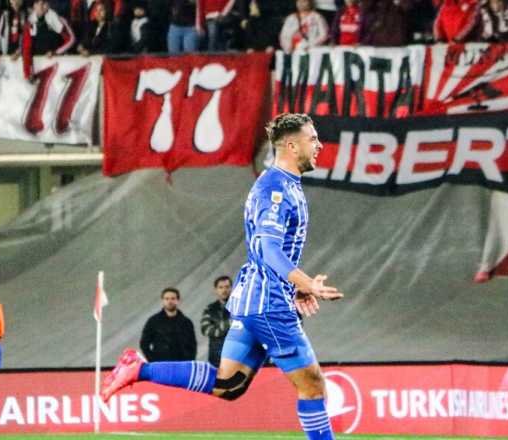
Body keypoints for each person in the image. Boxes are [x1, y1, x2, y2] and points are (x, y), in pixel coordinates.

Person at [101, 113, 344, 440]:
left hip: (257, 298)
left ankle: (138, 368)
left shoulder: (283, 185)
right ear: (291, 144)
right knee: (313, 387)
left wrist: (294, 286)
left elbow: (267, 251)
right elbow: (270, 250)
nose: (319, 145)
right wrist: (306, 283)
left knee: (228, 384)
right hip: (268, 304)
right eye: (312, 138)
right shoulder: (275, 189)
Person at [139, 288, 197, 362]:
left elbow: (193, 345)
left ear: (178, 300)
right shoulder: (153, 321)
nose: (170, 301)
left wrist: (189, 362)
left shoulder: (186, 322)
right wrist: (153, 361)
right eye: (166, 299)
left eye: (173, 298)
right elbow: (144, 344)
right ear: (163, 301)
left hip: (181, 365)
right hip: (161, 364)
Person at [200, 276, 232, 367]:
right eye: (221, 287)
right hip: (216, 357)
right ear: (216, 290)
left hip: (238, 355)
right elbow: (206, 330)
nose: (224, 290)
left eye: (227, 287)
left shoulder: (240, 306)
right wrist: (229, 323)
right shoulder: (210, 309)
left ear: (231, 288)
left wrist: (218, 328)